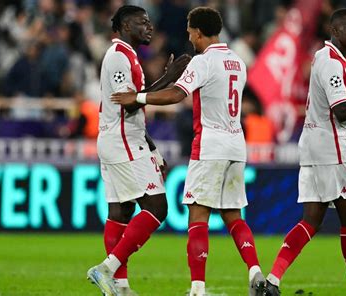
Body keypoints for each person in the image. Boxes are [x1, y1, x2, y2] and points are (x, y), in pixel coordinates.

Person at [111, 6, 266, 296]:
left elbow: (176, 94)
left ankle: (197, 288)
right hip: (236, 144)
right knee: (234, 216)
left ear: (197, 32)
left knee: (198, 218)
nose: (188, 36)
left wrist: (139, 97)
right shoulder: (238, 61)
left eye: (189, 31)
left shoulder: (202, 62)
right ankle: (255, 271)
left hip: (210, 145)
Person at [262, 8, 346, 296]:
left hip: (314, 145)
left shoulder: (343, 61)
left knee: (311, 219)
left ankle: (272, 280)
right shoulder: (331, 62)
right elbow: (343, 109)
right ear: (335, 30)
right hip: (332, 146)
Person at [86, 5, 190, 296]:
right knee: (157, 208)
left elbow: (135, 103)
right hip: (122, 142)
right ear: (123, 26)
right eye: (141, 22)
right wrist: (170, 78)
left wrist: (152, 148)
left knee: (121, 210)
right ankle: (106, 268)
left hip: (121, 138)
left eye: (149, 22)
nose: (149, 27)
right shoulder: (119, 56)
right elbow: (128, 102)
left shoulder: (126, 55)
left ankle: (119, 285)